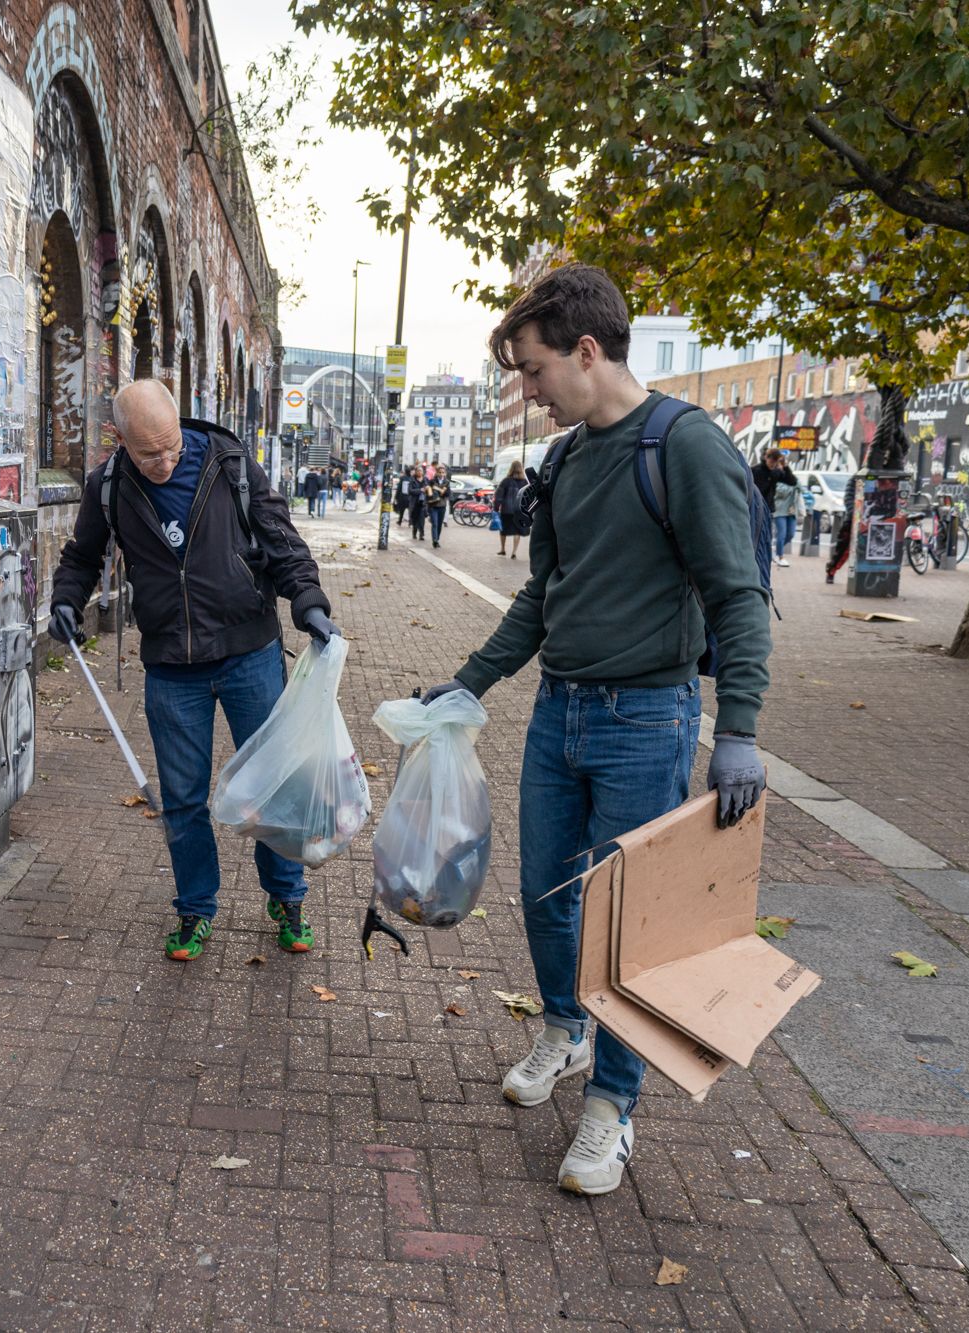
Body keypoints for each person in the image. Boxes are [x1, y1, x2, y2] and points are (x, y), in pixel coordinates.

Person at [418, 264, 771, 1198]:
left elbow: (739, 596)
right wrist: (467, 685)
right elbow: (544, 597)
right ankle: (567, 1030)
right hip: (558, 713)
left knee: (628, 926)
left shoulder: (684, 447)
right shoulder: (568, 461)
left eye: (533, 372)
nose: (527, 393)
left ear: (586, 350)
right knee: (545, 896)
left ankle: (614, 1108)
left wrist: (737, 728)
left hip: (648, 721)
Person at [48, 380, 338, 961]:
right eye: (149, 452)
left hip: (249, 654)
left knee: (273, 786)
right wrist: (65, 600)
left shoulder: (230, 463)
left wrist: (309, 603)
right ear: (121, 441)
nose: (165, 461)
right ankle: (195, 909)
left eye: (172, 447)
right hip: (171, 667)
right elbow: (82, 555)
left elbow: (284, 542)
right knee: (181, 798)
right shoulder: (108, 487)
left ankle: (287, 897)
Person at [752, 449, 799, 566]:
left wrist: (785, 466)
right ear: (766, 458)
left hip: (768, 509)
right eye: (771, 461)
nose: (772, 464)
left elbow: (792, 481)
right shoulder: (755, 470)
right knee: (756, 536)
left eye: (775, 462)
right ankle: (755, 560)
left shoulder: (776, 472)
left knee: (767, 537)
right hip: (754, 508)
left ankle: (764, 560)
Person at [495, 458, 531, 558]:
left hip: (506, 510)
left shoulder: (505, 481)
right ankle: (514, 552)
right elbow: (528, 497)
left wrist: (496, 508)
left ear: (511, 468)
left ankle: (503, 549)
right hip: (519, 510)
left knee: (503, 530)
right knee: (517, 531)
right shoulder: (524, 482)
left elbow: (499, 496)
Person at [827, 471, 859, 584]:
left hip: (873, 519)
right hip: (854, 518)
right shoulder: (857, 478)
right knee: (843, 549)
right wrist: (853, 512)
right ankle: (831, 571)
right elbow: (849, 497)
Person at [424, 465, 451, 547]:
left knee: (439, 524)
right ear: (437, 473)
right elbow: (427, 491)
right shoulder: (432, 481)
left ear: (445, 473)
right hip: (433, 505)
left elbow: (448, 494)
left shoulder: (447, 482)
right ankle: (435, 540)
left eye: (443, 472)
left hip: (442, 506)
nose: (441, 474)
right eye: (440, 472)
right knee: (434, 523)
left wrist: (443, 492)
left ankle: (437, 539)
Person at [405, 464, 428, 540]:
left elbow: (429, 490)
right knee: (415, 519)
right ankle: (414, 532)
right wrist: (420, 490)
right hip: (414, 503)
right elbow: (410, 491)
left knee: (422, 519)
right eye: (418, 471)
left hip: (422, 503)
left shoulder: (426, 480)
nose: (419, 472)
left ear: (423, 472)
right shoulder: (412, 480)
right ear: (415, 472)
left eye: (421, 471)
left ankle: (421, 534)